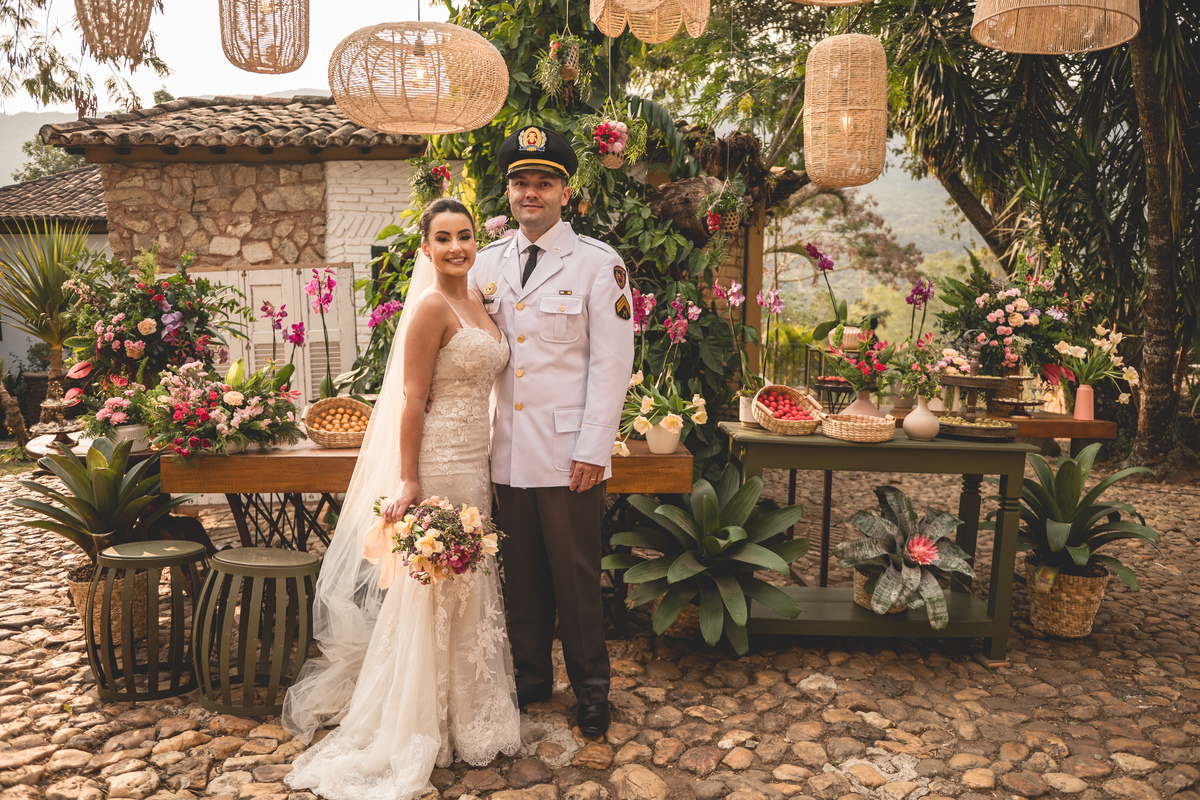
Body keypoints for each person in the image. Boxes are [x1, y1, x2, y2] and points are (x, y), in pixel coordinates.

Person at [282, 198, 521, 800]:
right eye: (442, 239)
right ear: (425, 249)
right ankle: (422, 721)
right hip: (439, 464)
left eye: (464, 236)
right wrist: (409, 479)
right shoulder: (429, 309)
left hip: (477, 463)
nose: (456, 248)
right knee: (432, 586)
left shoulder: (479, 304)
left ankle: (472, 714)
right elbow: (413, 400)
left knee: (469, 583)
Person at [469, 126, 634, 738]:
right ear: (508, 192)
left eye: (543, 182)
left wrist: (594, 448)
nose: (530, 192)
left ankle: (592, 690)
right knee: (524, 573)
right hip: (505, 451)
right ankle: (532, 677)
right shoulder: (486, 265)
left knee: (576, 576)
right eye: (520, 182)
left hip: (570, 453)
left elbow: (611, 366)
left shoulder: (597, 264)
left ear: (566, 192)